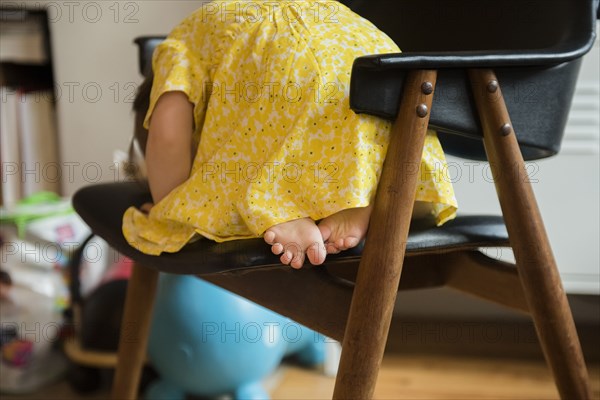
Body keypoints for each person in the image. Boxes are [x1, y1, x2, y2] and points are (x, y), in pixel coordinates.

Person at [122, 0, 458, 269]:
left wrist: (166, 206)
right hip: (391, 89)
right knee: (343, 134)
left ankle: (282, 212)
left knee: (238, 160)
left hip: (295, 77)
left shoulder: (179, 43)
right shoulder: (327, 12)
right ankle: (360, 200)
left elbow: (166, 133)